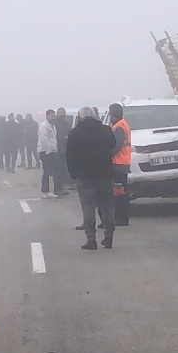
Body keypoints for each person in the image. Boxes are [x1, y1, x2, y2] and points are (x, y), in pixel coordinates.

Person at [66, 107, 116, 250]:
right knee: (107, 207)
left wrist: (73, 174)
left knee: (88, 207)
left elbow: (69, 155)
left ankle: (91, 240)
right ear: (95, 116)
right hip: (105, 174)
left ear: (80, 117)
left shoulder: (75, 133)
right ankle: (108, 238)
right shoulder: (105, 130)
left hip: (84, 176)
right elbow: (112, 145)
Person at [108, 103, 131, 226]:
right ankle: (121, 217)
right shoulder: (121, 124)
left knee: (119, 192)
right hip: (122, 162)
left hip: (119, 162)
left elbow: (117, 145)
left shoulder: (120, 126)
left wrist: (108, 155)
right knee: (120, 191)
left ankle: (122, 218)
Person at [38, 110, 64, 198]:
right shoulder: (44, 126)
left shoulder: (53, 126)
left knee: (54, 170)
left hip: (53, 151)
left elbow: (53, 139)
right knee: (46, 171)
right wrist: (49, 150)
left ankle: (50, 190)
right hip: (45, 152)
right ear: (47, 116)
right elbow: (44, 139)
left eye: (54, 116)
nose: (53, 118)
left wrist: (55, 149)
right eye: (51, 116)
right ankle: (44, 191)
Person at [54, 107, 72, 193]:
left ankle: (63, 186)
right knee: (58, 169)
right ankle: (58, 188)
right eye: (60, 112)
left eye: (63, 112)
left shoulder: (66, 123)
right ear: (57, 114)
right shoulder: (54, 124)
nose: (62, 114)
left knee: (65, 169)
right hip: (57, 149)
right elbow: (54, 135)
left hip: (66, 149)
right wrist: (64, 137)